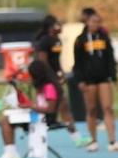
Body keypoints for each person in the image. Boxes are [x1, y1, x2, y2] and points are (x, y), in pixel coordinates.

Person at [0, 48, 63, 158]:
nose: (31, 78)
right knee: (6, 117)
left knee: (5, 120)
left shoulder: (49, 87)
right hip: (38, 115)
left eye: (32, 75)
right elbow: (38, 102)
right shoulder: (43, 85)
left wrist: (30, 106)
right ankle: (10, 153)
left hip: (44, 119)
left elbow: (50, 109)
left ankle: (11, 154)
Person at [70, 7, 118, 152]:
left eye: (98, 22)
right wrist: (80, 80)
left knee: (108, 108)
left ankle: (112, 142)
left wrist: (114, 77)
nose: (96, 24)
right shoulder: (80, 40)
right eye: (93, 21)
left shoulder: (104, 38)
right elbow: (77, 63)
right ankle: (93, 141)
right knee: (91, 109)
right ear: (87, 22)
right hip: (88, 80)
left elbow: (110, 58)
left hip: (103, 78)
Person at [32, 14, 82, 143]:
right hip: (46, 80)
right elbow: (43, 62)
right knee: (49, 107)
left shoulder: (57, 40)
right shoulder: (44, 41)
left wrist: (61, 72)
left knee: (64, 107)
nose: (61, 27)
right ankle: (38, 137)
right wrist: (53, 79)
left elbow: (56, 60)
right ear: (51, 27)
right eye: (58, 24)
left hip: (54, 77)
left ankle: (76, 137)